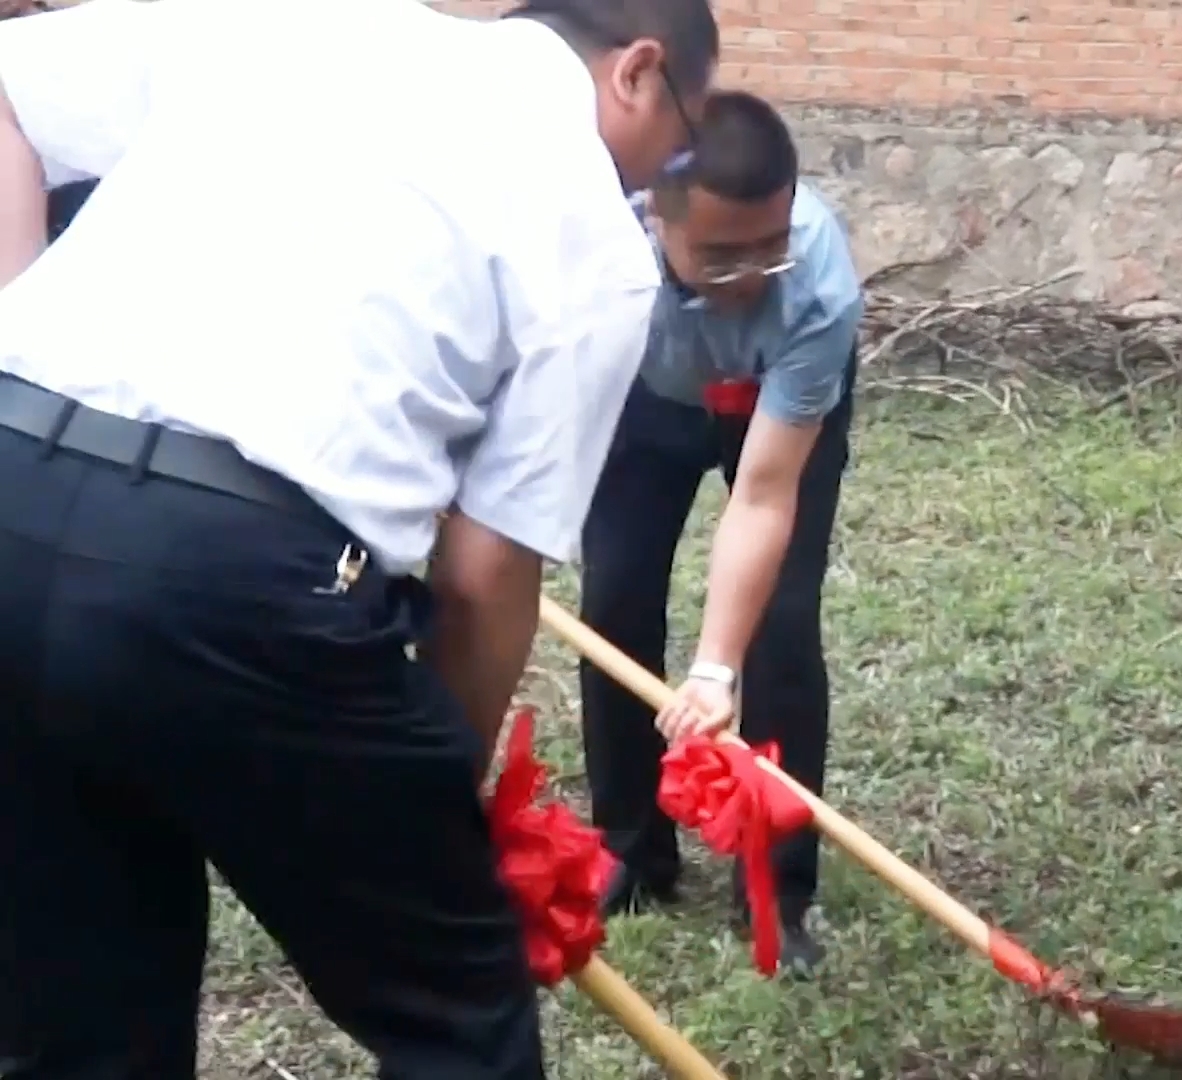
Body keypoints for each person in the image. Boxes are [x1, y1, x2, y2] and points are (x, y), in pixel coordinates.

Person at [0, 0, 716, 1075]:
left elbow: (9, 88)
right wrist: (446, 809)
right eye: (683, 142)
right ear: (638, 72)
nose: (664, 178)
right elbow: (482, 577)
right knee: (457, 1014)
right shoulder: (592, 235)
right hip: (227, 578)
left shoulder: (305, 20)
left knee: (83, 1017)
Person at [579, 90, 863, 974]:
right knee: (614, 601)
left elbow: (765, 496)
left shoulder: (817, 288)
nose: (748, 278)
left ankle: (778, 887)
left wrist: (714, 669)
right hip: (649, 399)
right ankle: (631, 850)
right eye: (720, 255)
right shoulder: (595, 243)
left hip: (775, 403)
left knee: (779, 627)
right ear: (655, 218)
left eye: (768, 248)